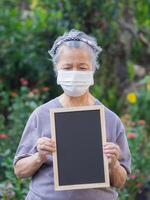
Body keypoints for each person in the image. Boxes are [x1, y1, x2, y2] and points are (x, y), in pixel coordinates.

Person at [13, 29, 131, 200]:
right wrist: (39, 157)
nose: (75, 72)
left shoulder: (110, 120)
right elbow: (19, 171)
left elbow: (120, 181)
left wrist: (113, 164)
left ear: (92, 70)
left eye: (82, 67)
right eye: (67, 67)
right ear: (57, 70)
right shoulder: (41, 115)